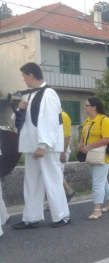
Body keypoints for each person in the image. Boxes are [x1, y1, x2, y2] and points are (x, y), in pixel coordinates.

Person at [11, 62, 70, 229]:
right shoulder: (28, 96)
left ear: (31, 75)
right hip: (31, 145)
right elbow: (19, 122)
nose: (23, 80)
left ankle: (62, 216)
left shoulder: (49, 94)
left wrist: (42, 146)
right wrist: (19, 109)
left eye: (24, 76)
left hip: (46, 147)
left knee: (52, 180)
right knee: (31, 182)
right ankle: (31, 217)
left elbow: (51, 121)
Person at [77, 97, 109, 217]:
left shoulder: (105, 120)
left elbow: (107, 139)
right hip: (91, 156)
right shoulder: (87, 121)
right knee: (102, 181)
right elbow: (84, 134)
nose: (84, 107)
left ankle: (97, 210)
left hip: (102, 156)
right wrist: (81, 143)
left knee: (97, 182)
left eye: (86, 105)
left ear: (94, 107)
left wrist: (88, 147)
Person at [60, 111, 76, 202]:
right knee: (56, 174)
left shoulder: (63, 116)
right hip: (56, 150)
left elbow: (67, 136)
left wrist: (63, 152)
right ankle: (68, 192)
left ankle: (67, 193)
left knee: (56, 174)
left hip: (62, 149)